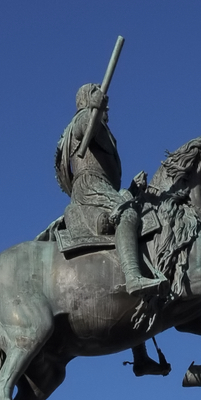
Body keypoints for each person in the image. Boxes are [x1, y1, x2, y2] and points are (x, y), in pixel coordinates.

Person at [55, 83, 165, 299]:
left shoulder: (101, 128)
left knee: (131, 207)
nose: (107, 110)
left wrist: (132, 189)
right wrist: (91, 109)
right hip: (90, 186)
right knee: (128, 214)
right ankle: (133, 277)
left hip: (102, 187)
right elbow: (83, 126)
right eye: (103, 106)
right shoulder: (82, 119)